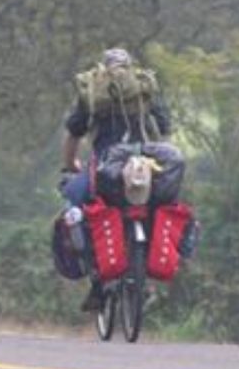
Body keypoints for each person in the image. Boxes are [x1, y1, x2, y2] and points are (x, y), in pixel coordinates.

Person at [58, 47, 183, 311]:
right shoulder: (146, 87)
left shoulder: (93, 92)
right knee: (157, 206)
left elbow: (73, 135)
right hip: (143, 161)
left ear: (103, 69)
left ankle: (96, 279)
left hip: (105, 164)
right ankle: (146, 278)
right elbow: (164, 130)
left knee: (78, 204)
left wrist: (70, 166)